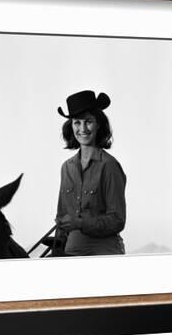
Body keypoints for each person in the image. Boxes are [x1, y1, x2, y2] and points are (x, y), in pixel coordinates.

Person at [53, 90, 126, 256]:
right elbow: (62, 214)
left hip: (104, 252)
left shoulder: (109, 166)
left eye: (88, 122)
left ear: (98, 124)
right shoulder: (66, 167)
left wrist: (79, 223)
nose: (83, 129)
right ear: (71, 126)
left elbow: (117, 220)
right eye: (77, 123)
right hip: (71, 250)